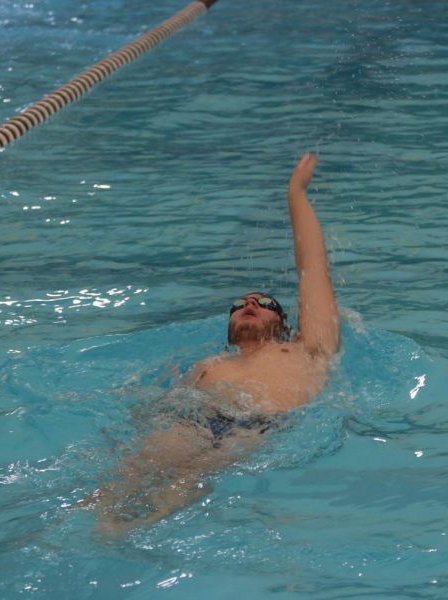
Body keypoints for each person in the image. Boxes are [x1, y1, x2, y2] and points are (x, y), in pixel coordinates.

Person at [88, 153, 340, 532]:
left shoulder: (310, 349)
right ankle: (89, 529)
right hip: (191, 417)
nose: (249, 303)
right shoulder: (208, 364)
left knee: (186, 479)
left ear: (287, 326)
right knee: (124, 477)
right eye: (239, 304)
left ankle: (122, 536)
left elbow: (313, 268)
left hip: (253, 426)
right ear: (229, 328)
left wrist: (296, 195)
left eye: (264, 302)